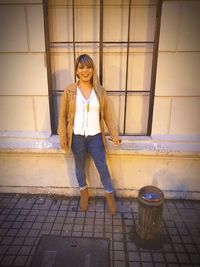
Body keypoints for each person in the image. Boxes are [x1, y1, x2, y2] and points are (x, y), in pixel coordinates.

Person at [58, 54, 121, 215]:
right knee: (79, 167)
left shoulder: (100, 91)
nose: (85, 70)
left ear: (93, 69)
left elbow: (108, 115)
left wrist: (114, 135)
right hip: (77, 137)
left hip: (95, 137)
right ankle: (84, 195)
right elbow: (63, 116)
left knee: (103, 167)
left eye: (88, 67)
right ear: (77, 71)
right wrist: (63, 137)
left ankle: (110, 197)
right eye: (81, 67)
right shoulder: (70, 90)